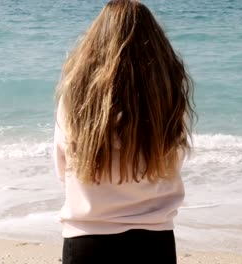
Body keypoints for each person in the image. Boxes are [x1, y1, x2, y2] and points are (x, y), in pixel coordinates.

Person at [53, 0, 195, 263]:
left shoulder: (75, 96)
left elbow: (63, 166)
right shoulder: (168, 96)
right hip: (154, 239)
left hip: (87, 237)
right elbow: (172, 161)